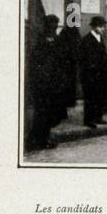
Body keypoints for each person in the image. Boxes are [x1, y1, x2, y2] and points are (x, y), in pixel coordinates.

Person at [28, 14, 77, 150]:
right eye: (52, 24)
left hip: (53, 84)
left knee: (48, 114)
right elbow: (39, 63)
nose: (54, 27)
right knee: (42, 114)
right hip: (44, 84)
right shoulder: (42, 40)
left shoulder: (55, 39)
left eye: (56, 24)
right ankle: (38, 140)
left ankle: (41, 139)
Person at [79, 15, 107, 129]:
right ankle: (89, 120)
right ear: (95, 27)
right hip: (90, 75)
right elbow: (84, 60)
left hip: (100, 74)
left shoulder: (101, 38)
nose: (103, 29)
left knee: (99, 96)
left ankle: (98, 117)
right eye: (101, 27)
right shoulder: (86, 40)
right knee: (90, 98)